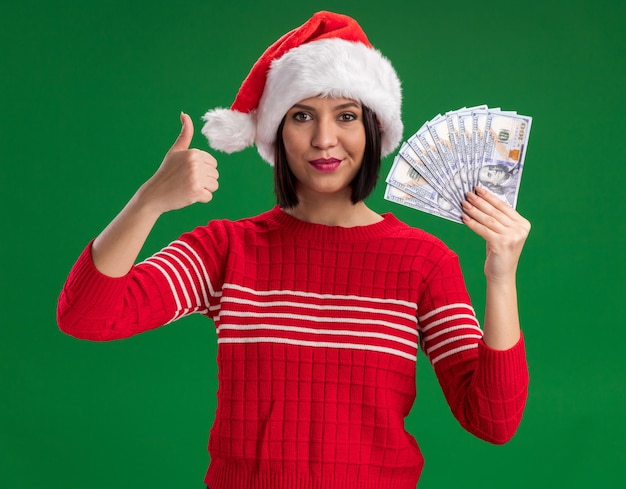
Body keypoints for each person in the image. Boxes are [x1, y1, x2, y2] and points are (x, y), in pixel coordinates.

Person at [57, 11, 530, 489]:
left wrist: (501, 275)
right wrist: (148, 202)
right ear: (276, 132)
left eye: (346, 116)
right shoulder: (226, 250)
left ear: (374, 129)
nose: (325, 139)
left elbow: (492, 420)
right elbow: (87, 315)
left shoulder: (424, 262)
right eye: (302, 115)